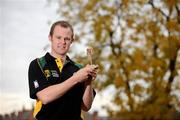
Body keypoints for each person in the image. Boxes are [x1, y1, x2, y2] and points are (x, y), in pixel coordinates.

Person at [28, 20, 98, 120]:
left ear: (72, 41)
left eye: (67, 39)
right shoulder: (38, 64)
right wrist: (76, 78)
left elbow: (86, 106)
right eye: (58, 37)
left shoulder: (79, 68)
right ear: (50, 37)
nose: (63, 42)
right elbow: (45, 97)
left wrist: (88, 81)